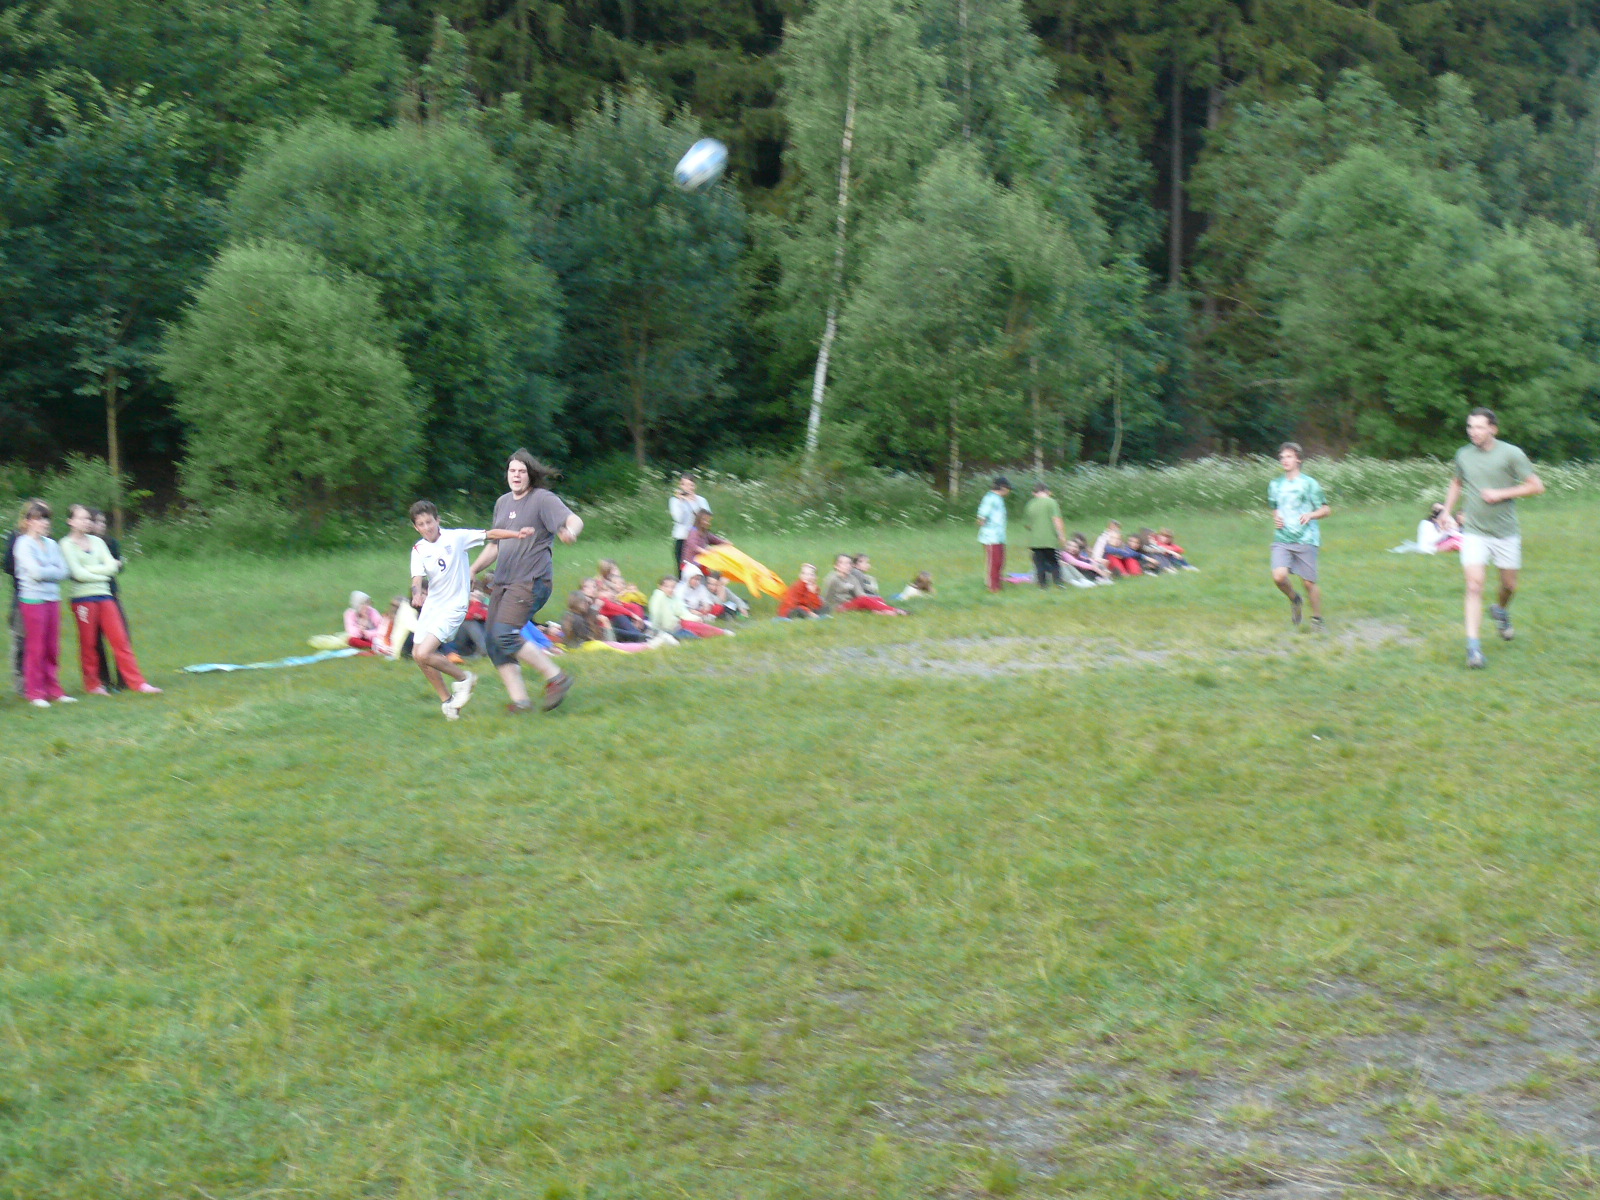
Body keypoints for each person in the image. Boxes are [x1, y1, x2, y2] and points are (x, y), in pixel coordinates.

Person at [468, 450, 582, 715]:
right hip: (503, 582)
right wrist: (473, 570)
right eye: (512, 471)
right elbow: (496, 545)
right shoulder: (502, 503)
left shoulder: (542, 499)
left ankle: (557, 677)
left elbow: (574, 519)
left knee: (505, 634)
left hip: (531, 580)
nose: (516, 476)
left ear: (530, 475)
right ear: (507, 474)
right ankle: (520, 702)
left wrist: (570, 532)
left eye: (521, 471)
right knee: (494, 642)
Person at [408, 500, 532, 720]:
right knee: (418, 655)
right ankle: (448, 701)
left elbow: (489, 534)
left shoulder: (456, 538)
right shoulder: (419, 549)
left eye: (429, 522)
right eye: (421, 524)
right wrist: (417, 593)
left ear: (438, 520)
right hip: (433, 605)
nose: (427, 527)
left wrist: (517, 534)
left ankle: (464, 678)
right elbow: (417, 578)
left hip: (454, 606)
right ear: (416, 527)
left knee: (425, 653)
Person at [1444, 407, 1544, 669]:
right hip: (1474, 531)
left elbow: (1536, 486)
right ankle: (1473, 649)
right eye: (1470, 426)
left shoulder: (1511, 453)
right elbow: (1457, 482)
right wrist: (1446, 511)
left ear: (1493, 429)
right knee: (1474, 586)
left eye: (1479, 427)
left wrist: (1501, 493)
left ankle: (1500, 610)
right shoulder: (1463, 455)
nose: (1473, 432)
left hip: (1505, 532)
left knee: (1509, 585)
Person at [60, 503, 160, 696]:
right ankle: (93, 684)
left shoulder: (98, 542)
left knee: (120, 640)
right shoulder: (66, 544)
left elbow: (113, 567)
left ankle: (137, 682)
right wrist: (102, 572)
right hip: (83, 599)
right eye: (81, 518)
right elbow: (78, 574)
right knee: (89, 643)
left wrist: (92, 571)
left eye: (88, 518)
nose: (86, 522)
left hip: (105, 595)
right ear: (70, 521)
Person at [12, 500, 74, 708]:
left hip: (52, 599)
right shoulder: (22, 544)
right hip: (33, 599)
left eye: (46, 518)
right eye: (39, 518)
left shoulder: (52, 544)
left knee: (52, 647)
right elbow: (35, 573)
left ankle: (54, 690)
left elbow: (64, 571)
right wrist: (50, 571)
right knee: (36, 647)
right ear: (28, 521)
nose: (45, 523)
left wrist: (46, 571)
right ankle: (35, 692)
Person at [1269, 442, 1331, 632]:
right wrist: (1277, 517)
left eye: (1289, 456)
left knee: (1308, 583)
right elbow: (1275, 507)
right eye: (1282, 457)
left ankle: (1317, 620)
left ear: (1298, 459)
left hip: (1306, 538)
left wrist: (1311, 515)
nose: (1284, 460)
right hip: (1283, 538)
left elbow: (1326, 509)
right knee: (1279, 577)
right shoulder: (1275, 484)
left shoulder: (1309, 483)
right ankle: (1295, 599)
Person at [90, 510, 127, 690]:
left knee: (121, 635)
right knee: (95, 640)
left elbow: (118, 566)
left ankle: (124, 678)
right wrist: (108, 566)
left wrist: (110, 566)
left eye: (103, 522)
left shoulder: (111, 542)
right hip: (90, 595)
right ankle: (102, 679)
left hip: (111, 593)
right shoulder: (82, 545)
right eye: (97, 522)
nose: (102, 525)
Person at [648, 575, 731, 638]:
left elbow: (682, 611)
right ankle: (719, 632)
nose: (670, 589)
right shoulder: (659, 596)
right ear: (660, 586)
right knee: (692, 631)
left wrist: (695, 618)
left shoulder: (674, 598)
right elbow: (656, 613)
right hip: (666, 628)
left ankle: (719, 632)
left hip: (677, 625)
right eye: (666, 587)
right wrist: (656, 630)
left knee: (694, 628)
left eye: (673, 587)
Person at [822, 553, 906, 615]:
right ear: (836, 566)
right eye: (843, 563)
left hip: (851, 602)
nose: (847, 566)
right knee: (864, 600)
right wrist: (833, 609)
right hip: (840, 606)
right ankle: (895, 610)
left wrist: (872, 599)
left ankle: (880, 611)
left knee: (877, 598)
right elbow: (827, 597)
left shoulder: (852, 578)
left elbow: (860, 594)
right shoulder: (832, 579)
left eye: (849, 563)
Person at [1021, 482, 1067, 588]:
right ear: (1047, 491)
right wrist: (1061, 535)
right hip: (1050, 539)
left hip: (1035, 540)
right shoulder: (1051, 502)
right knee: (1054, 561)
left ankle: (1042, 585)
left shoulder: (1030, 504)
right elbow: (1056, 519)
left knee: (1039, 563)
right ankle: (1058, 583)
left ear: (1034, 492)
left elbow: (1027, 525)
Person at [669, 475, 711, 572]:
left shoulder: (701, 500)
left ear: (694, 486)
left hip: (698, 538)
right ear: (681, 486)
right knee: (683, 570)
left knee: (701, 568)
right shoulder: (675, 501)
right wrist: (681, 502)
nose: (688, 488)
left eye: (691, 485)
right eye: (685, 485)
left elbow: (704, 518)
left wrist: (692, 502)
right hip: (682, 538)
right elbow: (678, 519)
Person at [976, 476, 1010, 593]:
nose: (1008, 491)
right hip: (990, 536)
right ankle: (992, 586)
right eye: (1008, 488)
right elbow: (981, 517)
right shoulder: (989, 498)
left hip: (999, 536)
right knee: (994, 562)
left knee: (1000, 561)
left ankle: (997, 583)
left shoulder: (999, 499)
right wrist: (985, 525)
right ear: (1002, 487)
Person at [3, 518, 22, 697]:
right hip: (21, 595)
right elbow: (8, 566)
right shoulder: (16, 536)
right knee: (21, 640)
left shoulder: (47, 540)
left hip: (46, 596)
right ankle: (21, 683)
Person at [680, 509, 729, 574]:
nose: (707, 523)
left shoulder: (705, 533)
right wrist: (703, 550)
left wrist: (724, 542)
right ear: (699, 520)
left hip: (701, 563)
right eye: (705, 520)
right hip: (690, 564)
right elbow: (692, 545)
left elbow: (715, 539)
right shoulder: (693, 531)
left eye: (709, 521)